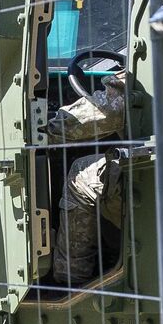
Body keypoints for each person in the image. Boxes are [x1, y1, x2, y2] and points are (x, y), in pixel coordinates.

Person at [49, 69, 129, 287]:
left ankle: (70, 279)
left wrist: (47, 127)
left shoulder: (151, 62)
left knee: (80, 174)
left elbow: (103, 112)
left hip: (156, 174)